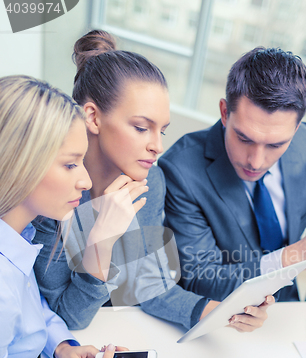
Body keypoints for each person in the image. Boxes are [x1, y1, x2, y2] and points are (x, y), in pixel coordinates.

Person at [33, 30, 273, 335]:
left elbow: (149, 285)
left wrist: (219, 311)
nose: (157, 146)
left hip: (118, 337)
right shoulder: (49, 191)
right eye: (141, 127)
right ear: (93, 117)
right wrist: (102, 243)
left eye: (162, 131)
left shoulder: (150, 182)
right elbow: (68, 317)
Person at [158, 47, 306, 358]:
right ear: (225, 112)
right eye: (244, 138)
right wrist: (296, 255)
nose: (256, 160)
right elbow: (200, 277)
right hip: (223, 330)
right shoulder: (181, 169)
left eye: (276, 144)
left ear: (297, 128)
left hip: (290, 323)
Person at [0, 75, 130, 358]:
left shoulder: (15, 239)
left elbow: (33, 305)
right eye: (71, 164)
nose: (86, 181)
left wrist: (62, 348)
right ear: (23, 162)